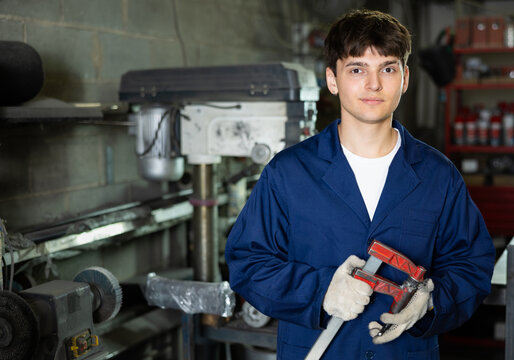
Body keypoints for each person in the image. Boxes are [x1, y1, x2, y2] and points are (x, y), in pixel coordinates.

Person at [225, 9, 495, 360]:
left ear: (405, 78)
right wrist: (320, 291)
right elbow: (248, 262)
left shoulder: (438, 175)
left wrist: (431, 300)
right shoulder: (288, 173)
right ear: (332, 80)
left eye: (387, 68)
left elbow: (472, 264)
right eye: (356, 69)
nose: (374, 84)